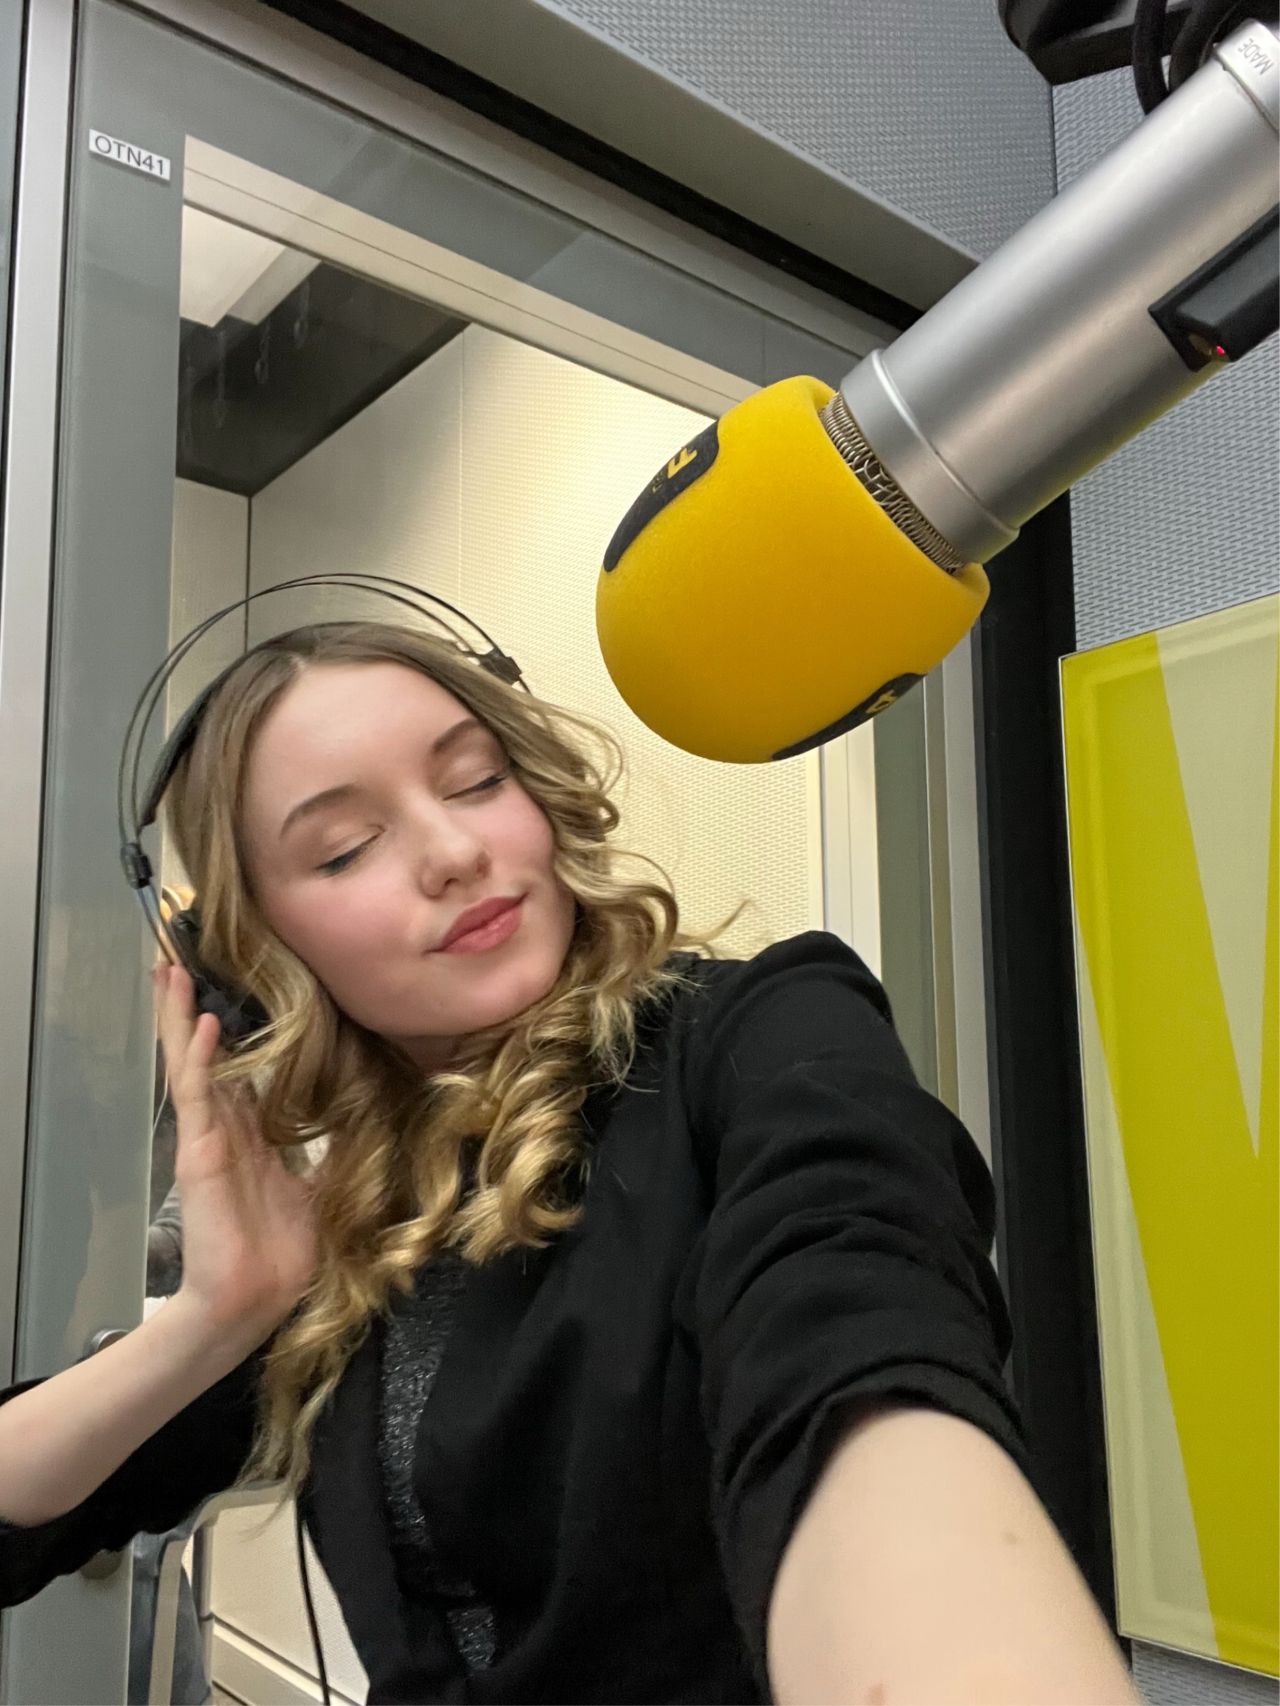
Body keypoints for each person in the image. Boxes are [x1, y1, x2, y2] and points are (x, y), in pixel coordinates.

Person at [0, 621, 1141, 1705]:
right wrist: (213, 1320)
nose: (455, 853)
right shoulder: (341, 1227)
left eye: (475, 781)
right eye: (345, 848)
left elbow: (854, 1327)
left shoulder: (757, 1035)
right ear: (253, 957)